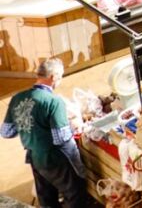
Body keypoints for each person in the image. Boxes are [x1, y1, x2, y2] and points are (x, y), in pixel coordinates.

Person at [1, 58, 86, 208]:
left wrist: (27, 126)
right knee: (75, 195)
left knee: (47, 199)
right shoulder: (53, 101)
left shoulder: (16, 98)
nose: (60, 81)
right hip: (55, 158)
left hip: (35, 158)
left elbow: (6, 132)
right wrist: (74, 126)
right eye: (60, 77)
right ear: (53, 77)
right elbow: (61, 138)